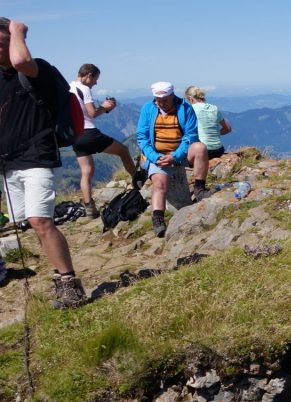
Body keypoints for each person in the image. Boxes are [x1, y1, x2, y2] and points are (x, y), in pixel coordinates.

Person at [0, 17, 87, 308]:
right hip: (8, 162)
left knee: (41, 221)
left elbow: (21, 60)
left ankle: (69, 283)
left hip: (37, 157)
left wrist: (17, 31)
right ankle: (58, 274)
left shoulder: (37, 69)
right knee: (29, 223)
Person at [136, 81, 208, 237]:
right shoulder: (148, 109)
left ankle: (199, 188)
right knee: (160, 184)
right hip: (158, 156)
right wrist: (155, 157)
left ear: (172, 96)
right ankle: (158, 219)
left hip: (179, 153)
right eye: (158, 100)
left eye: (165, 100)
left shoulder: (185, 108)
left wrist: (175, 156)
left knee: (200, 148)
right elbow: (142, 138)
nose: (161, 103)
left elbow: (190, 135)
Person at [70, 63, 136, 218]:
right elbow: (92, 113)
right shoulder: (84, 89)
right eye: (95, 79)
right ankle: (137, 179)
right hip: (89, 132)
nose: (95, 83)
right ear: (88, 75)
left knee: (86, 172)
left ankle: (89, 208)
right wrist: (106, 107)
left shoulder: (68, 87)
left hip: (75, 135)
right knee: (123, 151)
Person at [185, 85, 231, 161]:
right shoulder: (214, 108)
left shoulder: (190, 109)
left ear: (191, 99)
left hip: (202, 151)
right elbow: (228, 129)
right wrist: (214, 133)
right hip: (218, 150)